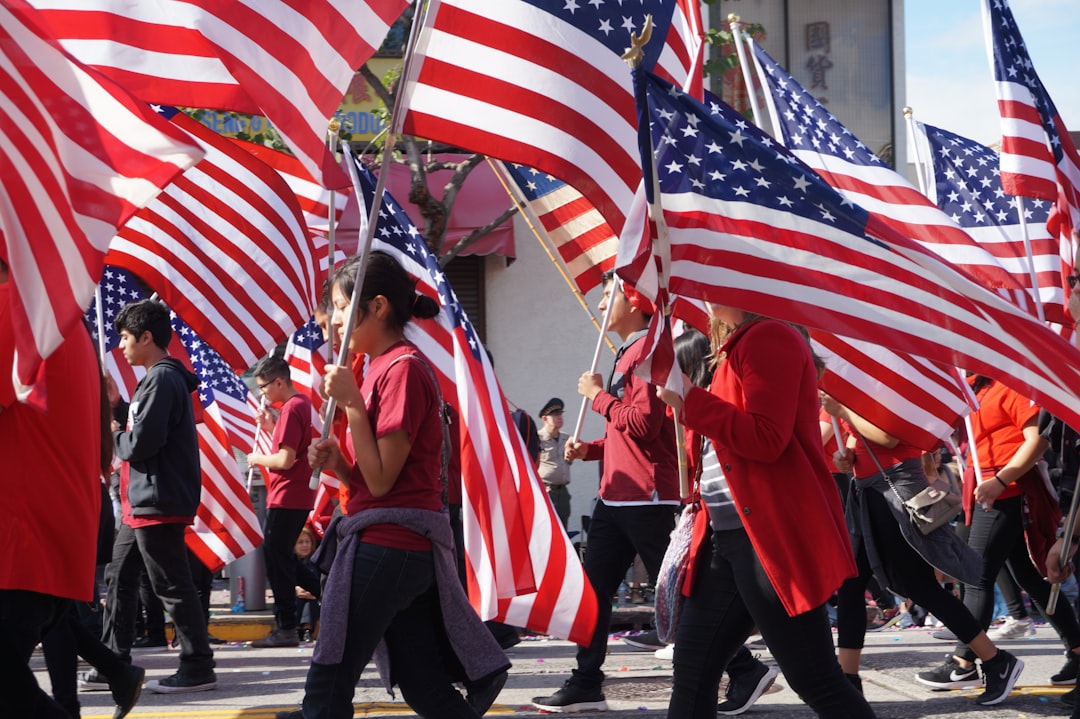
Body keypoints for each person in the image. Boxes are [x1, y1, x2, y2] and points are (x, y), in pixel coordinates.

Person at [277, 252, 509, 719]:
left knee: (330, 677)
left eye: (342, 308)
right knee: (425, 686)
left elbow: (383, 484)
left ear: (378, 306)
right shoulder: (378, 366)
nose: (335, 323)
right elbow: (371, 475)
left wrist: (354, 407)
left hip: (390, 542)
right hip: (400, 544)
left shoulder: (401, 367)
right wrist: (341, 464)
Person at [656, 306, 874, 719]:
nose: (701, 294)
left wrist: (690, 401)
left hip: (767, 542)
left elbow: (766, 438)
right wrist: (682, 405)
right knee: (692, 673)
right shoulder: (733, 346)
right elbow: (721, 445)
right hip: (727, 537)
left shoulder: (767, 336)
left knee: (817, 681)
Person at [0, 254, 145, 719]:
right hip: (51, 536)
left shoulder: (15, 309)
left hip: (24, 539)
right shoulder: (64, 326)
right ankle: (116, 673)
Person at [532, 273, 680, 712]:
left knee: (677, 592)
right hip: (618, 496)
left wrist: (596, 396)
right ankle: (585, 680)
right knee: (592, 593)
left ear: (633, 302)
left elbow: (646, 424)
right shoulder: (627, 352)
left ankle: (744, 668)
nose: (598, 308)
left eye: (606, 298)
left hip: (647, 497)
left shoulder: (649, 350)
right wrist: (592, 449)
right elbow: (627, 433)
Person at [822, 394, 1022, 706]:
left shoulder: (888, 378)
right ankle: (848, 683)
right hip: (866, 492)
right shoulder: (853, 381)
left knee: (918, 585)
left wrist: (843, 407)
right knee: (851, 583)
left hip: (895, 490)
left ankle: (996, 660)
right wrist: (846, 455)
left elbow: (888, 437)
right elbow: (855, 434)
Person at [97, 299, 217, 694]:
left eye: (127, 338)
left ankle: (197, 665)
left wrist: (114, 436)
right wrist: (118, 406)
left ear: (147, 337)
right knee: (119, 577)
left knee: (171, 585)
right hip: (145, 501)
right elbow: (145, 425)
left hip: (156, 500)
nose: (122, 346)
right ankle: (113, 661)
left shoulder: (162, 379)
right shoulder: (159, 379)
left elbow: (144, 441)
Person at [949, 374, 1080, 689]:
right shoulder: (970, 388)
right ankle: (1077, 651)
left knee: (975, 577)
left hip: (1005, 489)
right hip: (983, 487)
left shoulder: (1010, 386)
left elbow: (1037, 440)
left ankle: (963, 661)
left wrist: (1001, 481)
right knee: (1029, 576)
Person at [247, 356, 316, 648]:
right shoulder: (297, 407)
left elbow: (285, 460)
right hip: (293, 494)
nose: (262, 394)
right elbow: (293, 449)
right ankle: (332, 596)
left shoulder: (292, 408)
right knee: (282, 557)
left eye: (263, 387)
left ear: (279, 382)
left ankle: (286, 625)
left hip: (287, 495)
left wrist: (255, 458)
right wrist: (272, 426)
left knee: (277, 558)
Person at [537, 397, 571, 529]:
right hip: (546, 491)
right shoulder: (538, 439)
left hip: (563, 492)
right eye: (555, 415)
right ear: (545, 419)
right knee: (548, 530)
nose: (559, 417)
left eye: (560, 414)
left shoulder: (566, 438)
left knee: (563, 529)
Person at [293, 526, 322, 643]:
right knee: (299, 600)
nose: (304, 545)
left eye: (307, 542)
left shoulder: (316, 561)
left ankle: (307, 629)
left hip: (313, 596)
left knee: (311, 601)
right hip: (296, 595)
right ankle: (297, 628)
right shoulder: (291, 563)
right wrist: (296, 589)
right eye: (300, 542)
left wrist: (314, 591)